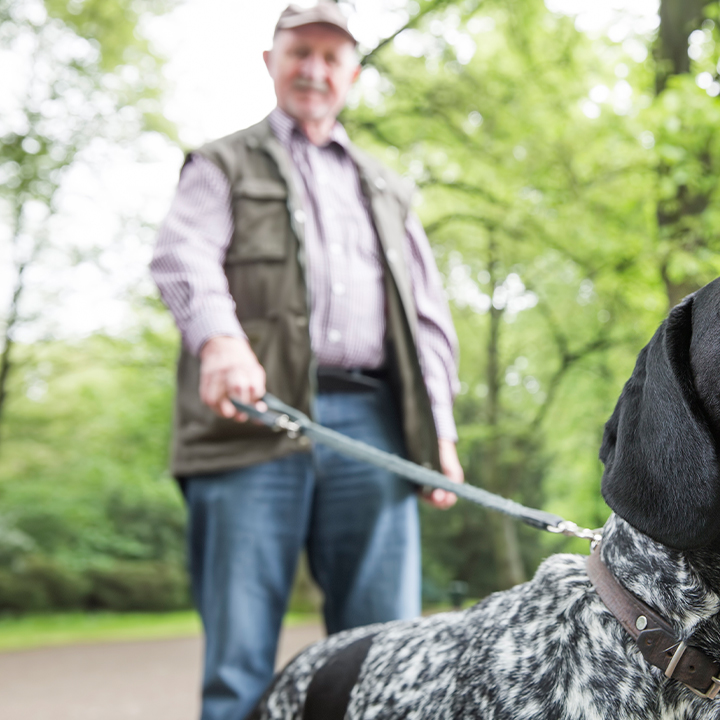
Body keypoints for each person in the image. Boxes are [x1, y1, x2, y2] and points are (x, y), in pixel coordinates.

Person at [150, 3, 463, 719]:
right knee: (238, 666)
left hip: (373, 426)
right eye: (300, 53)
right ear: (272, 62)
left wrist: (438, 432)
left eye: (331, 57)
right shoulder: (221, 162)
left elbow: (427, 319)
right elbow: (182, 256)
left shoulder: (387, 188)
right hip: (249, 422)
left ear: (352, 72)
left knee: (388, 657)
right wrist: (221, 341)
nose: (314, 70)